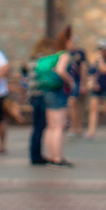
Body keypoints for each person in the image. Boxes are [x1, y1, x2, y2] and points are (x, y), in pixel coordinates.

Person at [39, 26, 75, 168]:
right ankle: (58, 157)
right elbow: (61, 70)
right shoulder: (65, 55)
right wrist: (70, 81)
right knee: (59, 126)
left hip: (47, 91)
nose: (74, 43)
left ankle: (51, 155)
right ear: (66, 42)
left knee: (51, 126)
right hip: (58, 92)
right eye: (72, 40)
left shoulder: (54, 55)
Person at [26, 37, 55, 166]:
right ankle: (36, 156)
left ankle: (35, 154)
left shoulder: (33, 60)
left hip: (32, 95)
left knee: (37, 126)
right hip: (40, 94)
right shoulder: (43, 61)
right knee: (40, 126)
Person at [86, 38, 106, 139]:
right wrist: (90, 83)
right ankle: (91, 131)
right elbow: (91, 73)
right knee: (93, 108)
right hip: (96, 87)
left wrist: (100, 59)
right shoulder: (95, 62)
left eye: (102, 49)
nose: (100, 51)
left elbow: (105, 70)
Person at [67, 32, 88, 138]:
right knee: (72, 103)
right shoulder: (66, 53)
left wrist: (83, 84)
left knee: (77, 104)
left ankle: (78, 126)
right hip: (68, 81)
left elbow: (83, 68)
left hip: (77, 81)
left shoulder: (80, 53)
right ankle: (73, 126)